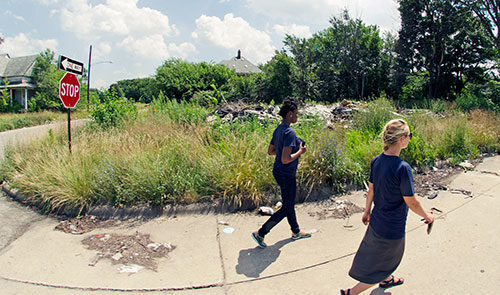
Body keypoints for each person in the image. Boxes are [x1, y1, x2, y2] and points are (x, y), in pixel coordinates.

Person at [340, 119, 434, 295]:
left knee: (381, 258)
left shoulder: (377, 161)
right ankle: (350, 293)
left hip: (377, 221)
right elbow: (411, 201)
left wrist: (367, 211)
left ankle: (387, 279)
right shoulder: (402, 168)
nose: (409, 138)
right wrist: (427, 216)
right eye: (409, 135)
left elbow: (371, 190)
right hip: (392, 227)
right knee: (386, 261)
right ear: (401, 139)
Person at [251, 98, 311, 248]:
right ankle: (261, 233)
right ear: (290, 114)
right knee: (286, 207)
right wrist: (300, 151)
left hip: (278, 171)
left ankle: (296, 231)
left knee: (288, 203)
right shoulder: (289, 132)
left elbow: (270, 151)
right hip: (286, 173)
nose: (297, 116)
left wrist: (283, 149)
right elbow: (286, 159)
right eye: (296, 113)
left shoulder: (278, 129)